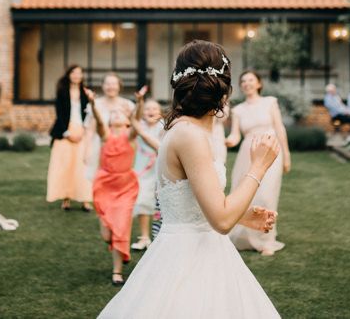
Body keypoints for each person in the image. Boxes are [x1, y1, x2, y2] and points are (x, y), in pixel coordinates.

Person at [97, 40, 280, 318]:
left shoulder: (185, 130)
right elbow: (220, 221)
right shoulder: (190, 136)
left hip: (198, 248)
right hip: (189, 259)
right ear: (224, 90)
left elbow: (195, 202)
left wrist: (241, 215)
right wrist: (258, 166)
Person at [226, 70, 291, 256]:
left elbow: (280, 128)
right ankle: (244, 237)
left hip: (270, 150)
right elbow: (236, 134)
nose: (247, 83)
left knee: (266, 195)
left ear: (259, 83)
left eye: (251, 80)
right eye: (243, 81)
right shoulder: (237, 110)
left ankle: (266, 240)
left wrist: (286, 154)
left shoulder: (270, 102)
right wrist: (229, 140)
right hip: (247, 152)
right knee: (244, 195)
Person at [86, 87, 145, 286]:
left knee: (121, 226)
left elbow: (137, 119)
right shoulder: (106, 136)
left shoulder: (131, 136)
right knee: (107, 235)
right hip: (105, 186)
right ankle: (118, 245)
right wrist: (93, 103)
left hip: (125, 187)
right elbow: (99, 121)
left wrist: (140, 102)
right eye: (113, 114)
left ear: (128, 120)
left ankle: (117, 272)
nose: (116, 114)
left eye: (120, 112)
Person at [47, 65, 93, 211]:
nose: (76, 75)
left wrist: (84, 131)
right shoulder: (62, 91)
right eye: (74, 72)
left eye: (79, 73)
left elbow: (91, 113)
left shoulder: (85, 92)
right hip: (65, 132)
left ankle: (85, 200)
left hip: (82, 131)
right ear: (69, 74)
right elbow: (59, 114)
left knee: (82, 167)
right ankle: (66, 198)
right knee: (65, 166)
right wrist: (67, 133)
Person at [83, 73, 135, 183]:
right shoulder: (95, 104)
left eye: (113, 84)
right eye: (107, 84)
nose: (110, 87)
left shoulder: (127, 105)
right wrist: (87, 149)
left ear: (119, 86)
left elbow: (133, 128)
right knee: (97, 178)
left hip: (120, 147)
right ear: (102, 86)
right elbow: (90, 131)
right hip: (98, 145)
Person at [130, 91, 162, 252]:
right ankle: (144, 237)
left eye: (155, 109)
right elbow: (133, 119)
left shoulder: (163, 126)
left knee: (159, 204)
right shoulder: (139, 125)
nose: (151, 111)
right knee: (142, 200)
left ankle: (159, 237)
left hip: (159, 169)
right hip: (141, 169)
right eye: (147, 109)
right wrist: (140, 101)